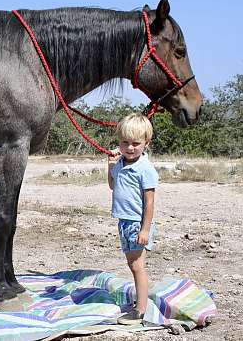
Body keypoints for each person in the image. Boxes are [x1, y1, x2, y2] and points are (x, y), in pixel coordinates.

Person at [107, 113, 159, 325]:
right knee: (132, 264)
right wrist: (110, 165)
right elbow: (113, 185)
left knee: (137, 266)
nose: (129, 148)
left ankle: (140, 310)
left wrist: (145, 230)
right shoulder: (121, 163)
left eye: (135, 144)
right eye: (124, 143)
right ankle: (140, 302)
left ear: (146, 143)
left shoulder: (145, 169)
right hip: (124, 222)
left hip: (137, 224)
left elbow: (149, 204)